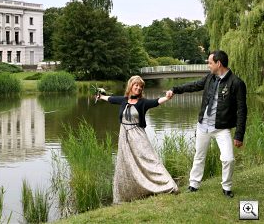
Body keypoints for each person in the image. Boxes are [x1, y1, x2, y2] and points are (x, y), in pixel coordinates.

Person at [166, 50, 247, 198]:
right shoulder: (210, 78)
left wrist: (239, 135)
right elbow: (193, 85)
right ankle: (194, 185)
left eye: (210, 62)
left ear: (218, 63)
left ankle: (227, 187)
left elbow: (242, 111)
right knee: (199, 156)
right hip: (203, 125)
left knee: (228, 158)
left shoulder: (236, 83)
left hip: (221, 129)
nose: (208, 65)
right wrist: (174, 89)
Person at [98, 75, 178, 203]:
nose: (139, 88)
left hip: (138, 136)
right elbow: (111, 99)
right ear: (131, 86)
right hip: (124, 136)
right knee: (126, 164)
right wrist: (101, 96)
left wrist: (167, 98)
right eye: (136, 85)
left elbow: (156, 101)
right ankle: (129, 195)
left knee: (150, 160)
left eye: (141, 86)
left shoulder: (143, 102)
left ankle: (168, 185)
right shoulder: (123, 100)